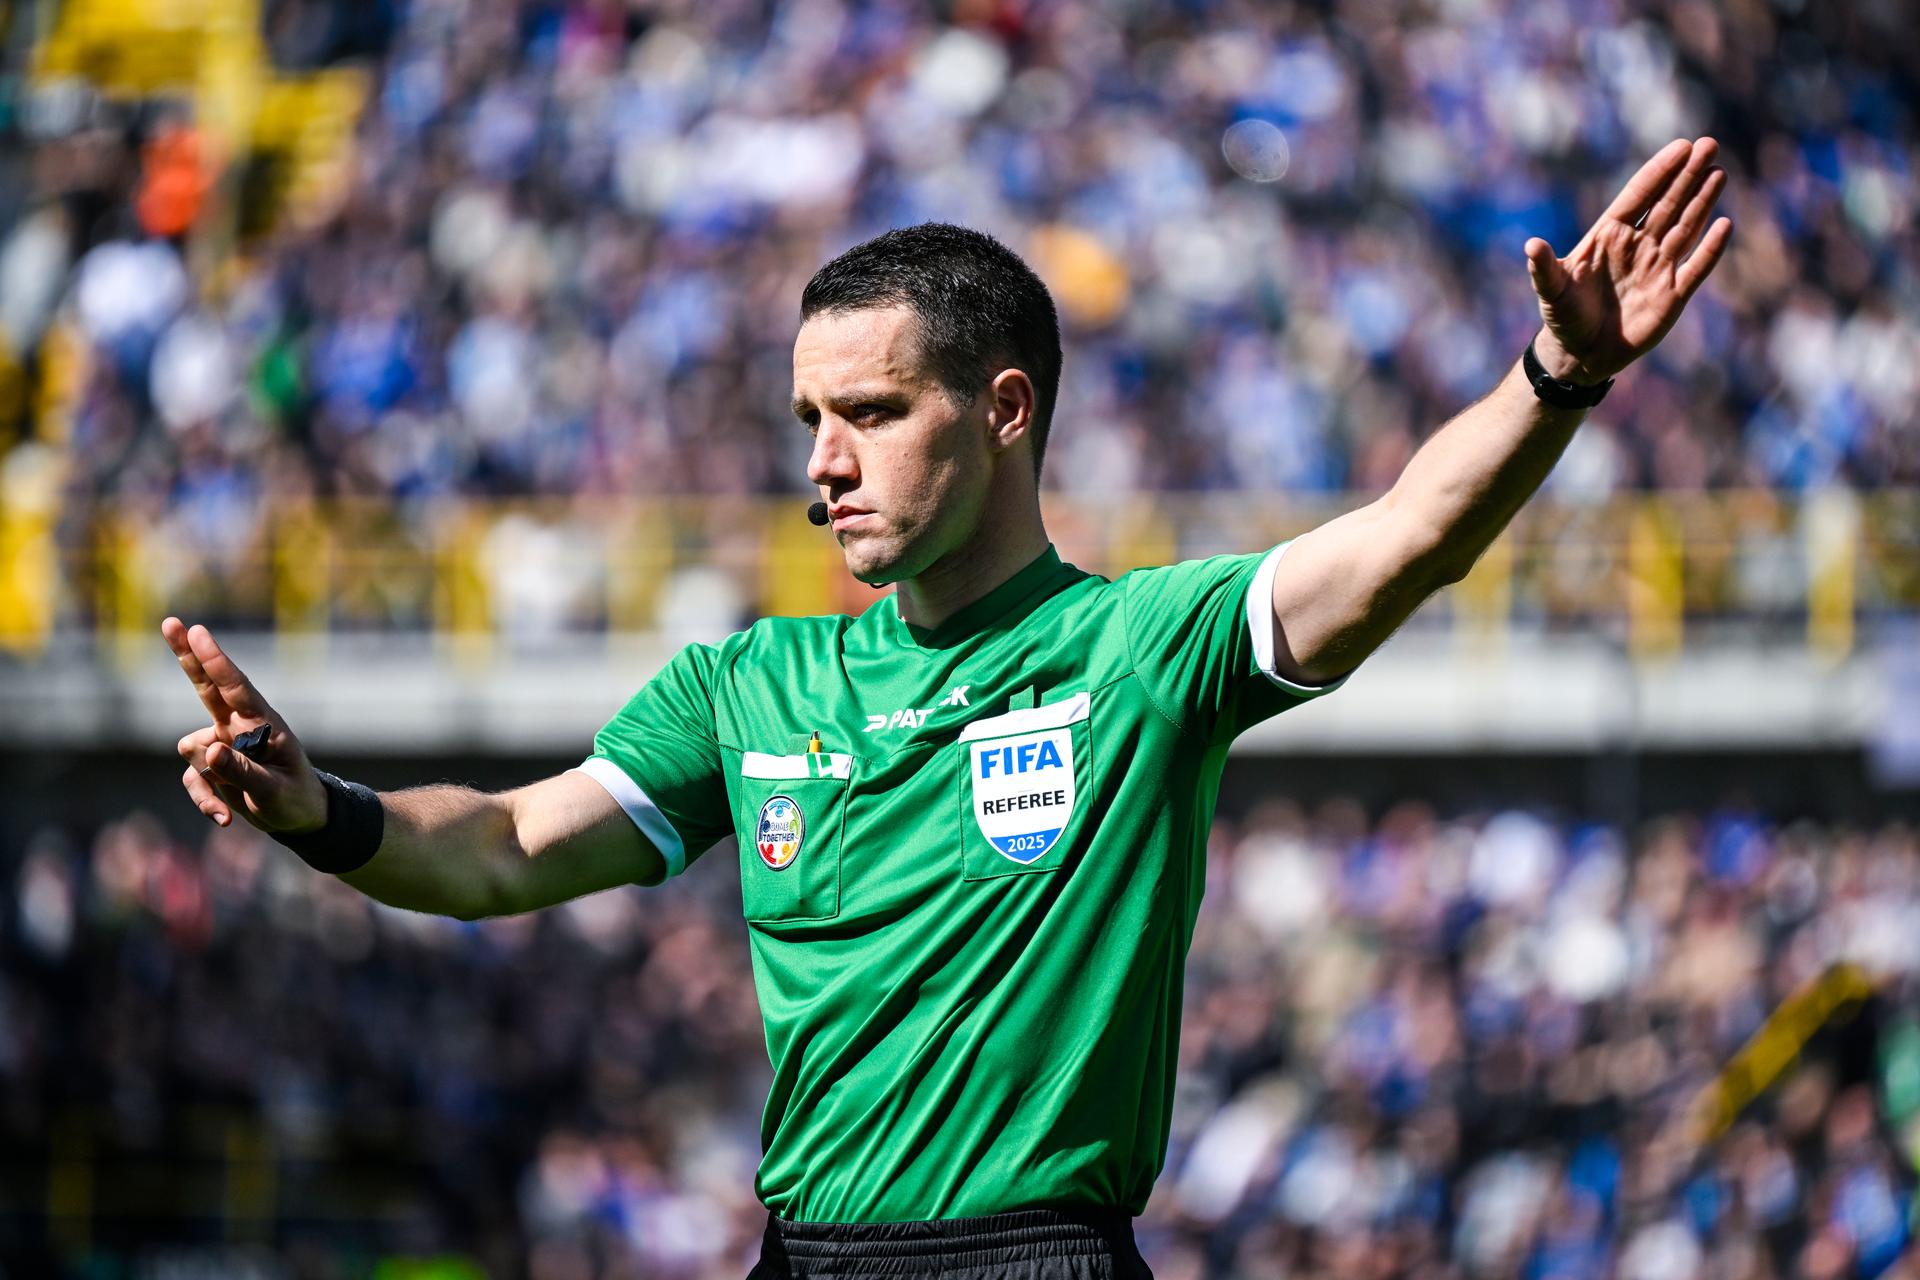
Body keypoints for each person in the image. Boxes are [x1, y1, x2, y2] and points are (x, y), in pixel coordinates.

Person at [163, 137, 1731, 1278]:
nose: (821, 462)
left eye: (869, 414)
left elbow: (1404, 538)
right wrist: (320, 809)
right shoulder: (748, 682)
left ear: (1001, 413)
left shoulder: (1140, 649)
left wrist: (1554, 379)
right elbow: (502, 845)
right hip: (802, 1256)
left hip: (1035, 1258)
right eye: (807, 420)